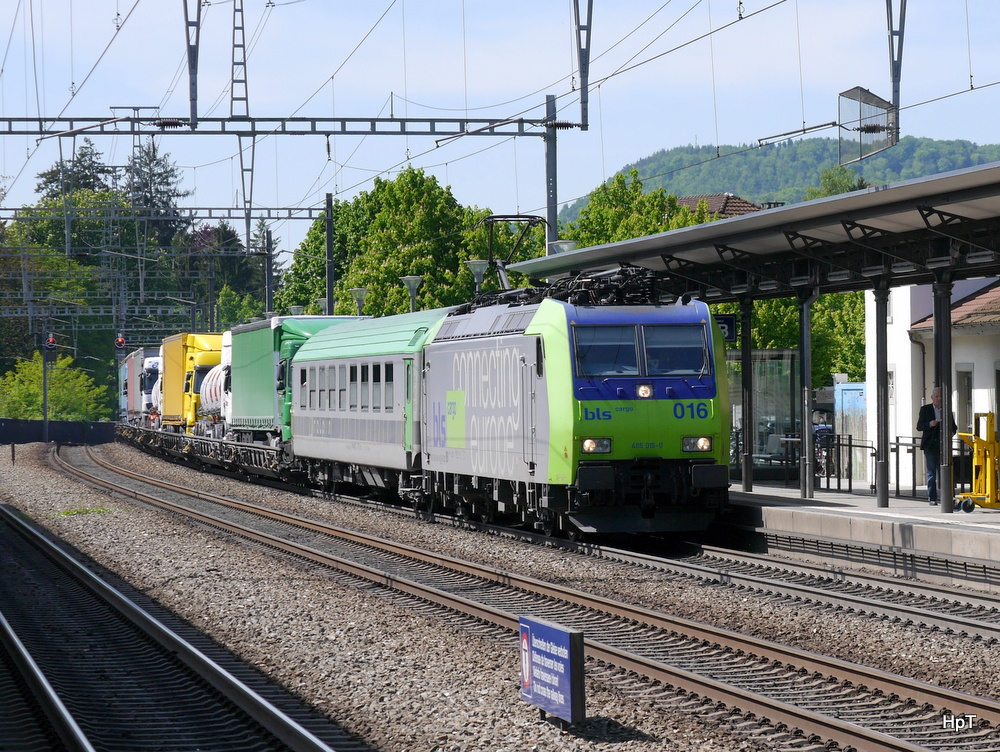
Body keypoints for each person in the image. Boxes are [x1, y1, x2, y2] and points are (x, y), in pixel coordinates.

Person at [916, 387, 956, 505]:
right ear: (932, 398)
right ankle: (932, 498)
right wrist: (930, 424)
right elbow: (919, 426)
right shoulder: (926, 409)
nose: (939, 399)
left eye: (940, 397)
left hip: (944, 445)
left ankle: (948, 497)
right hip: (930, 445)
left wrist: (952, 432)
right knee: (931, 473)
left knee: (946, 471)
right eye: (937, 396)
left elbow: (954, 426)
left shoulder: (946, 410)